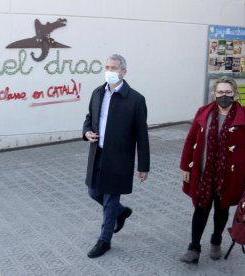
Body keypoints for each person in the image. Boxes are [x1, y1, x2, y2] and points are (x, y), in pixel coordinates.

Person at [179, 76, 245, 264]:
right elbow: (190, 140)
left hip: (230, 175)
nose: (224, 96)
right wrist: (186, 166)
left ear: (234, 94)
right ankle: (194, 248)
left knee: (221, 209)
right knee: (201, 208)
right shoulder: (203, 112)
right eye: (220, 92)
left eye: (228, 92)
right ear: (214, 94)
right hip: (204, 173)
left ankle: (216, 240)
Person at [83, 54, 150, 258]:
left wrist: (143, 166)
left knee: (110, 198)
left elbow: (142, 134)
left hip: (119, 158)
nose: (110, 71)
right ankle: (121, 212)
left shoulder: (136, 99)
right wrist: (86, 132)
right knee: (93, 192)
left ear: (123, 72)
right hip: (98, 153)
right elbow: (88, 119)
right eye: (107, 67)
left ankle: (104, 240)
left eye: (114, 68)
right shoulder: (97, 93)